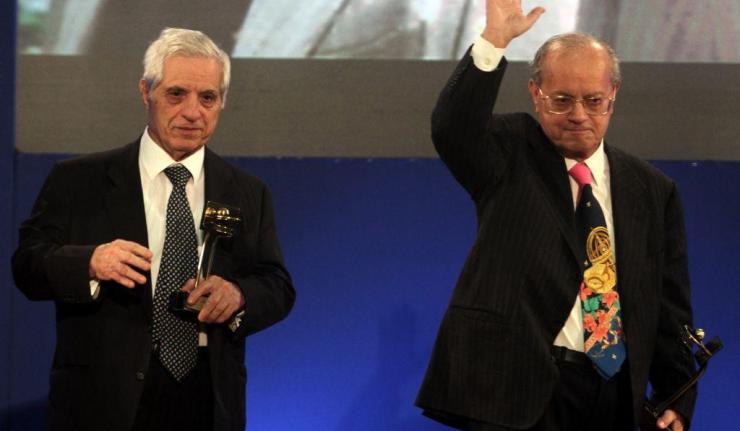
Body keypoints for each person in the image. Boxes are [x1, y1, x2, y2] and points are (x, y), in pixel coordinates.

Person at [415, 1, 696, 430]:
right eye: (562, 100)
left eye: (594, 101)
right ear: (536, 93)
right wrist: (494, 41)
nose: (579, 115)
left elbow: (667, 304)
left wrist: (676, 395)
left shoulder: (653, 190)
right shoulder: (508, 150)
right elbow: (452, 128)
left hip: (613, 396)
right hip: (514, 392)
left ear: (614, 94)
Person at [12, 28, 295, 431]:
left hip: (207, 395)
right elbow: (27, 265)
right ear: (146, 92)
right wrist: (90, 262)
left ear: (222, 102)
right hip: (103, 398)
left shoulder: (248, 191)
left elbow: (277, 285)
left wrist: (238, 295)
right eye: (176, 94)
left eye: (207, 97)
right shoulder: (79, 179)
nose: (193, 112)